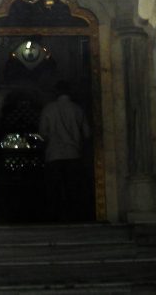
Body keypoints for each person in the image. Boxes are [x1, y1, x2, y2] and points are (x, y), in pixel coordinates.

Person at [39, 80, 91, 221]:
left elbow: (43, 133)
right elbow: (87, 134)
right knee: (72, 190)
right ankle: (73, 218)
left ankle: (55, 219)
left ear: (56, 92)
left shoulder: (49, 109)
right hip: (73, 154)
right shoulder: (77, 109)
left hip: (53, 155)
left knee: (53, 191)